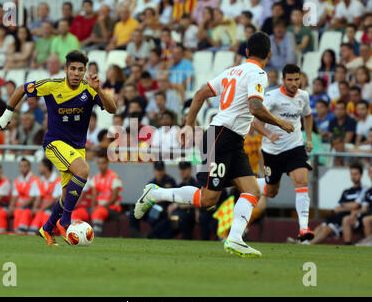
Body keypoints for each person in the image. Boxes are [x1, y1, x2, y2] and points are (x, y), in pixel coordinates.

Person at [134, 32, 295, 257]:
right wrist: (281, 122)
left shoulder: (232, 71)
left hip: (230, 139)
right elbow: (255, 107)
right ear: (269, 53)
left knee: (251, 191)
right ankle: (155, 194)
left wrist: (188, 125)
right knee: (208, 199)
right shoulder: (258, 73)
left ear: (247, 52)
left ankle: (235, 239)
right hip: (221, 137)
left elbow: (200, 94)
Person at [0, 50, 117, 245]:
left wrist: (100, 89)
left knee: (66, 196)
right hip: (54, 143)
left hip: (77, 148)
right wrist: (7, 115)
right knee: (84, 170)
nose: (77, 73)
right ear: (66, 70)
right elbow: (21, 89)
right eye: (73, 69)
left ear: (85, 71)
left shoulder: (90, 88)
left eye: (80, 69)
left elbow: (113, 109)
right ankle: (66, 222)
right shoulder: (51, 86)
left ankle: (47, 228)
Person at [252, 64, 315, 242]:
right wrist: (269, 134)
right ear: (283, 80)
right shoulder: (272, 98)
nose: (294, 83)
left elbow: (308, 116)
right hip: (272, 151)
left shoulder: (304, 96)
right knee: (272, 191)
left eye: (297, 79)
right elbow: (255, 122)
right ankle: (249, 182)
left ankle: (304, 230)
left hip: (295, 148)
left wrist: (308, 139)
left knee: (302, 181)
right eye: (290, 79)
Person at [307, 163, 364, 244]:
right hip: (337, 216)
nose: (353, 176)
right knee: (320, 227)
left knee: (326, 229)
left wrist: (343, 206)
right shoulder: (346, 191)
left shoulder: (363, 190)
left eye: (356, 174)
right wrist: (347, 206)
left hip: (348, 217)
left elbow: (356, 205)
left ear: (361, 175)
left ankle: (309, 244)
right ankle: (302, 241)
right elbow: (337, 208)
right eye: (352, 174)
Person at [81, 154, 123, 237]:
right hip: (98, 207)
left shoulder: (114, 177)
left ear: (107, 163)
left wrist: (99, 207)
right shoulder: (96, 178)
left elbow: (114, 198)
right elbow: (94, 195)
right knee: (77, 213)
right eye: (99, 163)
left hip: (112, 208)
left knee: (98, 213)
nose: (100, 165)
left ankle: (95, 238)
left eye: (103, 163)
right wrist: (93, 207)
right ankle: (75, 237)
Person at [25, 158, 61, 235]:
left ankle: (42, 232)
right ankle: (33, 231)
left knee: (44, 214)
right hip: (43, 208)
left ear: (46, 167)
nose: (38, 168)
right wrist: (35, 208)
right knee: (36, 213)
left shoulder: (57, 180)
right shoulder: (40, 180)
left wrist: (40, 209)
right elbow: (38, 197)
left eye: (40, 166)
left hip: (53, 209)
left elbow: (55, 200)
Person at [9, 158, 40, 233]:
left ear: (29, 167)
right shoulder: (17, 180)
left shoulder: (35, 179)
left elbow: (32, 198)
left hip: (29, 206)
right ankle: (17, 231)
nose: (22, 168)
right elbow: (14, 196)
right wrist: (11, 207)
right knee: (17, 211)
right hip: (19, 206)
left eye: (25, 166)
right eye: (21, 166)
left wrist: (18, 206)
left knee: (23, 212)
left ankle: (21, 231)